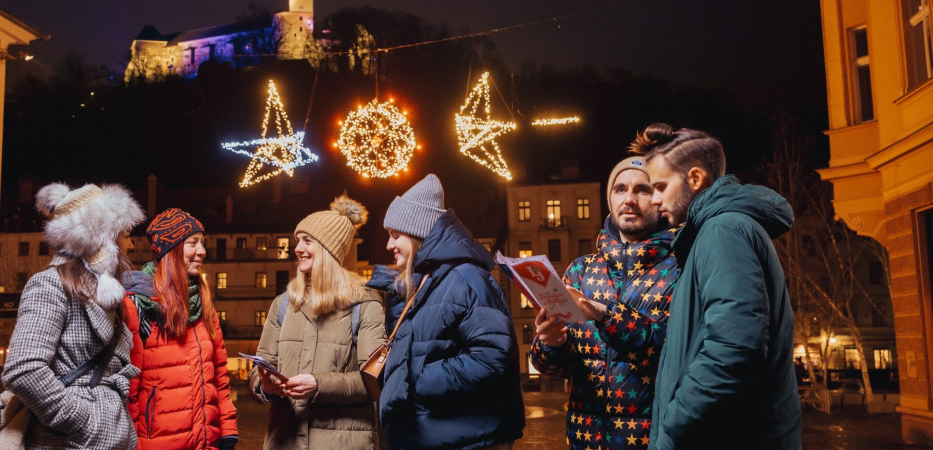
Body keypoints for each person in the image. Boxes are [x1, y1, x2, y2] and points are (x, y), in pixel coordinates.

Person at [631, 123, 801, 449]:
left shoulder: (723, 230)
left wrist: (675, 423)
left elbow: (735, 348)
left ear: (695, 179)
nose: (653, 199)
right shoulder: (719, 230)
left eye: (661, 186)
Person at [530, 156, 680, 449]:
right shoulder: (581, 270)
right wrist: (551, 344)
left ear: (659, 198)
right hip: (584, 440)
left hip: (653, 442)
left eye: (643, 189)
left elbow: (674, 354)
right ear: (610, 199)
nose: (630, 199)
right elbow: (555, 367)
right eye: (620, 189)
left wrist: (607, 316)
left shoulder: (680, 268)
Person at [366, 174, 525, 449]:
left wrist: (412, 374)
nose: (388, 246)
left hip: (466, 440)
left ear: (418, 234)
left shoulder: (466, 278)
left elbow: (491, 358)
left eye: (395, 236)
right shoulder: (422, 282)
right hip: (427, 436)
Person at [1, 182, 144, 448]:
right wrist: (84, 422)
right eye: (125, 235)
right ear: (102, 237)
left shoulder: (103, 292)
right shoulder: (49, 284)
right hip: (68, 441)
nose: (132, 245)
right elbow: (23, 369)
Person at [248, 195, 387, 449]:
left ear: (329, 249)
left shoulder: (365, 305)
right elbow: (259, 371)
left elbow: (374, 381)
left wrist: (319, 384)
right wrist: (266, 385)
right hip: (285, 440)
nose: (297, 248)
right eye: (297, 241)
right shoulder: (282, 304)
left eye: (307, 241)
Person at [121, 208, 238, 449]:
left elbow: (220, 376)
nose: (202, 251)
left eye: (202, 243)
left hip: (206, 442)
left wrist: (227, 431)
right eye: (192, 243)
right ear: (170, 251)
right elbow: (129, 391)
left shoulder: (204, 305)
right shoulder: (137, 305)